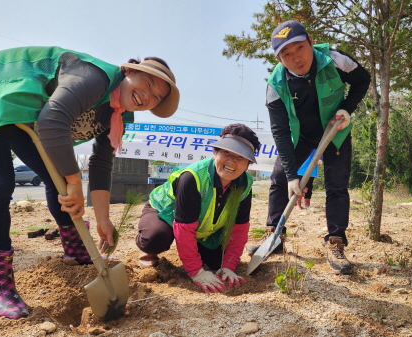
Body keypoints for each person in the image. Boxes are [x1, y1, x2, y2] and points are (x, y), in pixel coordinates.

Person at [0, 46, 179, 319]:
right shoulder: (96, 78)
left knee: (54, 177)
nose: (148, 96)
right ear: (128, 71)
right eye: (148, 83)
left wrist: (104, 219)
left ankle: (75, 249)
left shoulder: (118, 114)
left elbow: (101, 163)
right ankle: (0, 286)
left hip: (24, 108)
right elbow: (53, 118)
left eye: (156, 97)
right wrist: (73, 181)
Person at [259, 20, 370, 275]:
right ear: (279, 59)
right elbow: (280, 131)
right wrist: (291, 176)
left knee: (337, 185)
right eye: (287, 54)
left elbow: (363, 80)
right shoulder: (276, 85)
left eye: (299, 48)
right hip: (300, 136)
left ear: (310, 41)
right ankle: (273, 236)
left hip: (334, 130)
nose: (296, 58)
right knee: (278, 179)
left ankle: (335, 242)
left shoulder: (334, 60)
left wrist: (347, 108)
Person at [135, 123, 260, 293]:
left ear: (247, 165)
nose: (231, 161)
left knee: (217, 263)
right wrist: (196, 272)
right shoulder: (193, 178)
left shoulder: (244, 184)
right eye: (226, 153)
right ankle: (147, 250)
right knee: (155, 238)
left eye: (240, 157)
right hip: (165, 213)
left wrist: (228, 266)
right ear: (215, 153)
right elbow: (184, 227)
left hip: (202, 226)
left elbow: (238, 228)